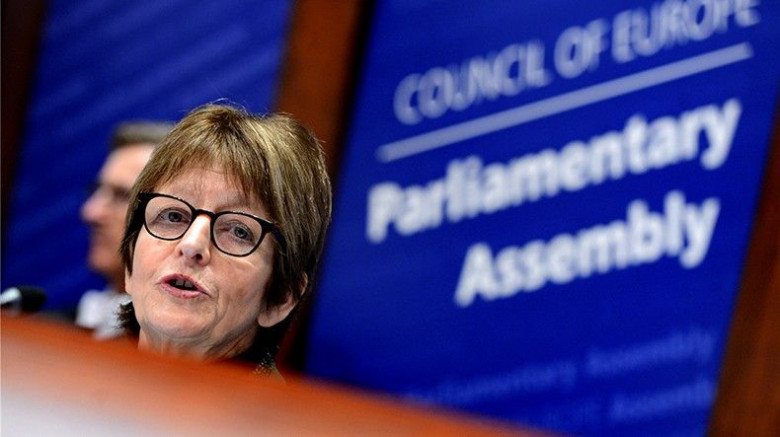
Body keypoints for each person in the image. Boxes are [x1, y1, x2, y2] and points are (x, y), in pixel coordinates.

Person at [118, 103, 332, 376]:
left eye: (239, 231)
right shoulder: (72, 384)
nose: (191, 245)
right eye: (173, 216)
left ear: (281, 298)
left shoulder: (279, 409)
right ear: (130, 261)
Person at [77, 121, 173, 339]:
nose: (91, 212)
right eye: (97, 190)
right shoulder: (44, 327)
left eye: (121, 196)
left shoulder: (181, 352)